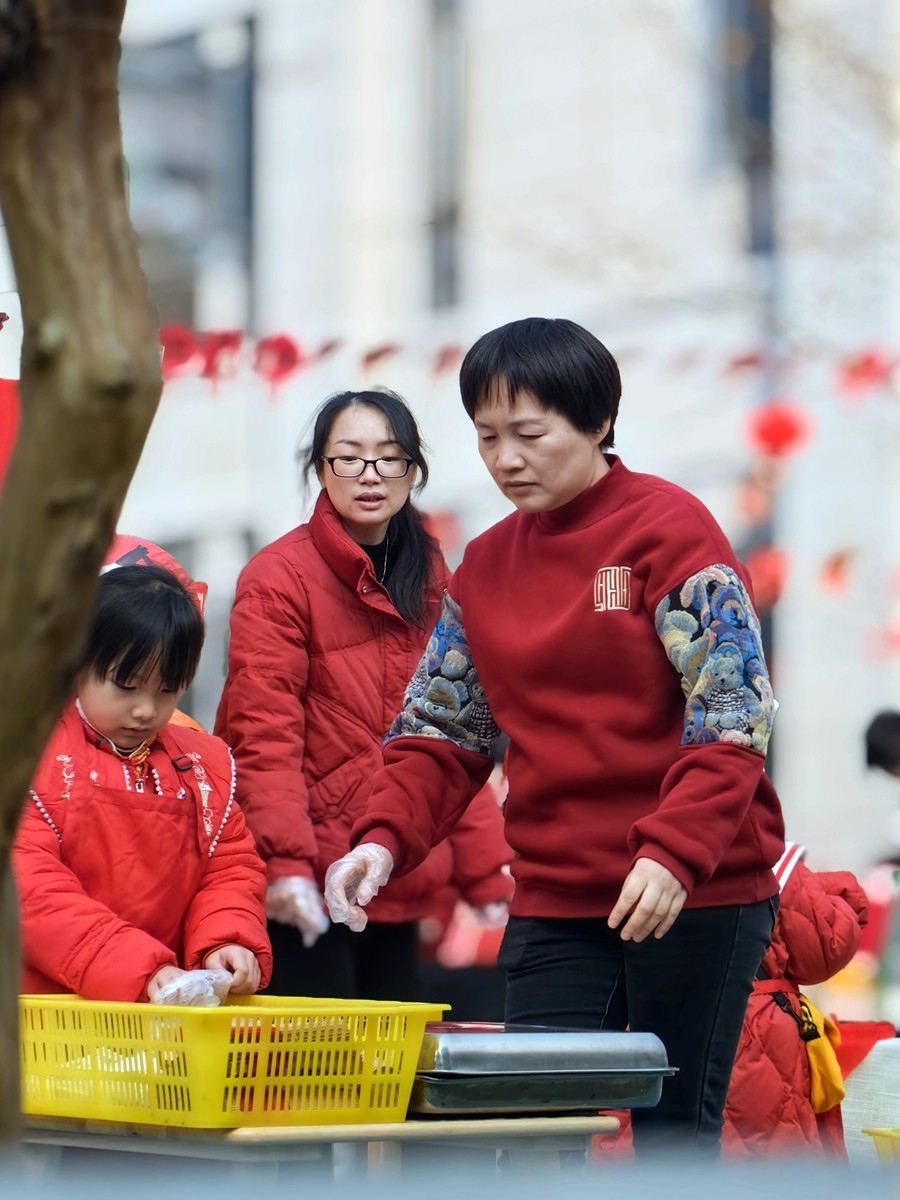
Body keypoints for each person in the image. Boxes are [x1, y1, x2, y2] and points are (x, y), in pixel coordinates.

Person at [325, 317, 786, 1157]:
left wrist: (675, 850)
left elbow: (732, 712)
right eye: (487, 437)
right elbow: (443, 730)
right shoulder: (486, 565)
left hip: (696, 889)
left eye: (529, 434)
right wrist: (381, 841)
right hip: (557, 895)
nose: (506, 459)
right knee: (531, 1133)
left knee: (673, 1141)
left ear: (598, 422)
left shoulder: (670, 531)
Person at [214, 389, 512, 999]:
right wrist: (286, 866)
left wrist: (485, 871)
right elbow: (263, 739)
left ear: (413, 471)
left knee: (393, 1078)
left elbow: (452, 729)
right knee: (314, 1079)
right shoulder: (277, 579)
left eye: (389, 457)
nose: (370, 475)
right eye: (349, 457)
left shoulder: (429, 573)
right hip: (310, 879)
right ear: (322, 469)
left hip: (396, 868)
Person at [13, 563, 272, 1002]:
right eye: (126, 686)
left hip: (162, 1008)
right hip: (48, 1012)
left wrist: (227, 940)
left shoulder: (202, 767)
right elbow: (29, 890)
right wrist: (136, 964)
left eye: (167, 691)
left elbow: (229, 869)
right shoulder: (27, 759)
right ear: (77, 665)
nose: (145, 711)